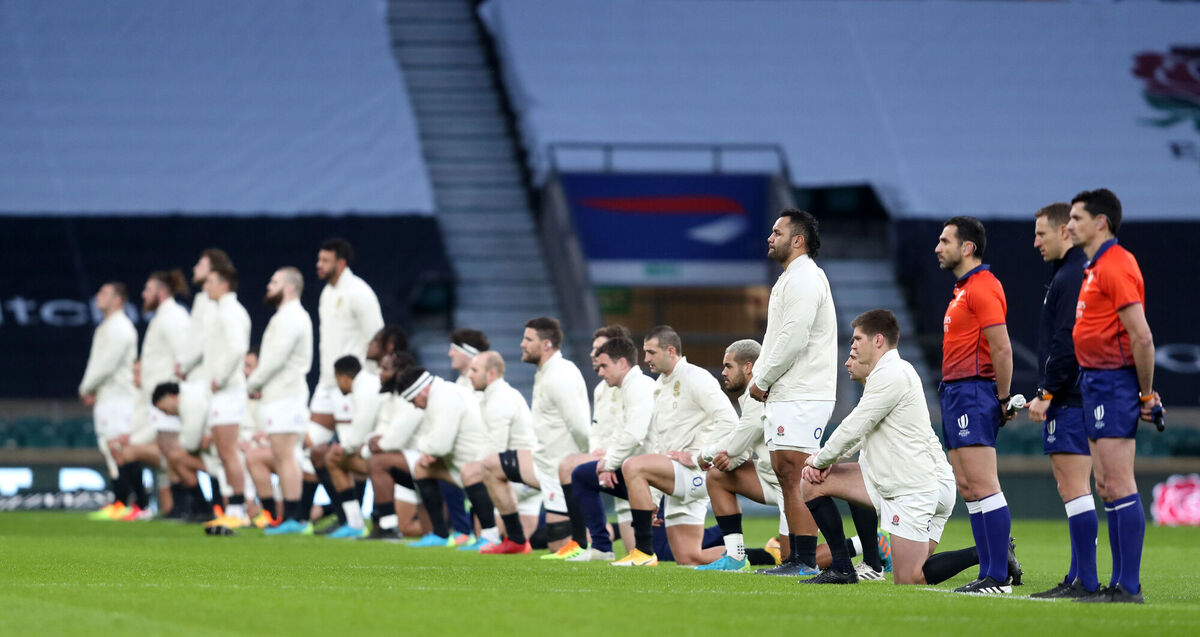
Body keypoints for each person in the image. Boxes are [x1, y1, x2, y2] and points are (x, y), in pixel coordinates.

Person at [802, 310, 976, 586]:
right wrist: (823, 462)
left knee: (909, 578)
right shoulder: (891, 373)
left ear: (878, 340)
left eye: (858, 339)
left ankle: (989, 554)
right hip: (923, 481)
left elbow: (855, 425)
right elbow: (861, 432)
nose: (853, 347)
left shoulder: (892, 373)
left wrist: (819, 460)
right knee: (813, 484)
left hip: (914, 487)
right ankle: (844, 568)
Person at [1067, 188, 1160, 604]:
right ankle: (1117, 584)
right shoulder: (1095, 267)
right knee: (1104, 484)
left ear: (1100, 222)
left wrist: (1145, 393)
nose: (1069, 225)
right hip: (1096, 381)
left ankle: (1129, 586)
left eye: (1076, 218)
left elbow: (1141, 335)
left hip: (1114, 381)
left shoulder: (1117, 265)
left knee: (1119, 481)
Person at [748, 209, 838, 576]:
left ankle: (803, 559)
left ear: (797, 240)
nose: (770, 237)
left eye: (776, 232)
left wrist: (762, 377)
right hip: (792, 390)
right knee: (787, 471)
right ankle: (797, 557)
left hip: (803, 390)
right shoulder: (792, 278)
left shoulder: (804, 280)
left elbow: (793, 338)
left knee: (797, 472)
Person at [935, 216, 1018, 594]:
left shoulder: (984, 287)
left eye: (945, 241)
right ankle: (988, 571)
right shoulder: (963, 290)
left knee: (984, 483)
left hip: (974, 390)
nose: (938, 247)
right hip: (955, 391)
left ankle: (999, 576)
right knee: (968, 486)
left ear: (967, 248)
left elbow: (1001, 346)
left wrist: (1002, 397)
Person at [614, 326, 738, 567]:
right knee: (689, 558)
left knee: (632, 466)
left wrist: (698, 457)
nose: (646, 359)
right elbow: (662, 444)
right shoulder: (660, 385)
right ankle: (763, 554)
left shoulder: (696, 377)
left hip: (694, 473)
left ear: (670, 351)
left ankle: (643, 552)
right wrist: (654, 497)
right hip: (676, 476)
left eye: (651, 352)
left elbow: (730, 421)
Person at [1026, 203, 1097, 598]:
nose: (1036, 242)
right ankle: (1077, 576)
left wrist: (1047, 392)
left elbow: (1067, 340)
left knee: (1074, 486)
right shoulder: (1067, 275)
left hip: (1069, 397)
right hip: (1075, 395)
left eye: (1042, 233)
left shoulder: (1071, 276)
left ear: (1064, 232)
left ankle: (1084, 580)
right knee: (1070, 486)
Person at [478, 318, 591, 556]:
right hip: (542, 462)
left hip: (561, 468)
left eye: (528, 339)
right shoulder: (546, 372)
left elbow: (580, 427)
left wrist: (582, 468)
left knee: (559, 547)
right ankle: (516, 540)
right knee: (490, 465)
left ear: (546, 344)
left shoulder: (559, 376)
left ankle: (601, 538)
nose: (522, 344)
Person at [695, 339, 799, 572]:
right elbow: (749, 440)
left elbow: (745, 433)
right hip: (772, 479)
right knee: (718, 476)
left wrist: (706, 454)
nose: (723, 372)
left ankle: (867, 544)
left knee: (796, 560)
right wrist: (731, 458)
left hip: (795, 486)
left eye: (728, 366)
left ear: (748, 367)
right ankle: (735, 557)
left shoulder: (762, 390)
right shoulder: (751, 395)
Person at [308, 238, 384, 528]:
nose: (319, 265)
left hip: (353, 384)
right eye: (319, 259)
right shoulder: (327, 293)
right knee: (314, 449)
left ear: (341, 263)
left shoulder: (360, 293)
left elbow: (376, 338)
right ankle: (345, 516)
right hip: (328, 384)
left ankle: (370, 518)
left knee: (350, 450)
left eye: (325, 260)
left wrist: (372, 384)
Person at [565, 336, 656, 562]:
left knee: (681, 553)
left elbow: (635, 434)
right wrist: (607, 462)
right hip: (634, 472)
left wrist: (609, 463)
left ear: (622, 363)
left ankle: (750, 552)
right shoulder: (626, 388)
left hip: (656, 480)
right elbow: (619, 434)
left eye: (604, 365)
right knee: (582, 475)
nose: (599, 371)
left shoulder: (641, 386)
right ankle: (601, 547)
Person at [394, 367, 502, 548]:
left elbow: (439, 445)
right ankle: (440, 534)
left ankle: (490, 538)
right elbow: (436, 442)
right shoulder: (442, 393)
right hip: (466, 464)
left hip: (481, 467)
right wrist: (429, 452)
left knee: (464, 471)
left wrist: (424, 448)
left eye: (412, 400)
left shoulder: (444, 397)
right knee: (422, 468)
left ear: (422, 391)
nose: (414, 405)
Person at [558, 325, 636, 560]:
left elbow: (632, 432)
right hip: (611, 461)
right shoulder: (602, 387)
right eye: (593, 349)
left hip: (630, 465)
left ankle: (586, 542)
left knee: (665, 553)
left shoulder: (635, 385)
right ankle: (590, 543)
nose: (593, 354)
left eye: (598, 349)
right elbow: (597, 429)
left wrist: (609, 458)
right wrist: (596, 451)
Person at [246, 267, 314, 535]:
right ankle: (290, 517)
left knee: (285, 456)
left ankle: (295, 518)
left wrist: (253, 383)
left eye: (274, 282)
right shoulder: (286, 316)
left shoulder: (291, 317)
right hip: (280, 394)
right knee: (281, 455)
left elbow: (275, 359)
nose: (268, 286)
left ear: (289, 287)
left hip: (287, 394)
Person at [466, 351, 540, 551]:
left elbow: (494, 450)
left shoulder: (500, 399)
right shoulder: (498, 395)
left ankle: (488, 536)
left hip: (521, 475)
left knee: (470, 472)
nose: (469, 374)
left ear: (491, 374)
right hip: (522, 474)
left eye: (474, 370)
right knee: (541, 540)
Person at [79, 282, 141, 521]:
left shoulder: (121, 328)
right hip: (107, 395)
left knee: (120, 448)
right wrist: (92, 387)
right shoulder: (107, 326)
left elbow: (107, 364)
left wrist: (86, 386)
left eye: (104, 293)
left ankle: (137, 502)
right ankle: (119, 501)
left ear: (117, 299)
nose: (98, 296)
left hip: (120, 397)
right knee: (109, 447)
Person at [200, 265, 252, 528]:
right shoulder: (223, 311)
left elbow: (237, 348)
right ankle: (233, 506)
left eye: (209, 281)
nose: (205, 286)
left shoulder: (231, 311)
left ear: (223, 284)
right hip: (222, 391)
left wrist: (219, 378)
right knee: (223, 450)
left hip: (228, 389)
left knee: (229, 450)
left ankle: (239, 509)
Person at [138, 269, 191, 518]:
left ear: (161, 292)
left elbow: (183, 353)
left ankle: (191, 502)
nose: (143, 294)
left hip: (168, 396)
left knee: (174, 449)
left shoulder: (174, 316)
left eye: (148, 289)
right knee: (167, 449)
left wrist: (175, 394)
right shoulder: (163, 316)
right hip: (159, 398)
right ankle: (179, 505)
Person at [323, 355, 381, 539]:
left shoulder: (364, 389)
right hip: (383, 448)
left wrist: (345, 447)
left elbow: (362, 426)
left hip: (387, 453)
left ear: (344, 378)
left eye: (337, 379)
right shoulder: (369, 384)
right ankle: (370, 518)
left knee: (333, 458)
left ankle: (357, 522)